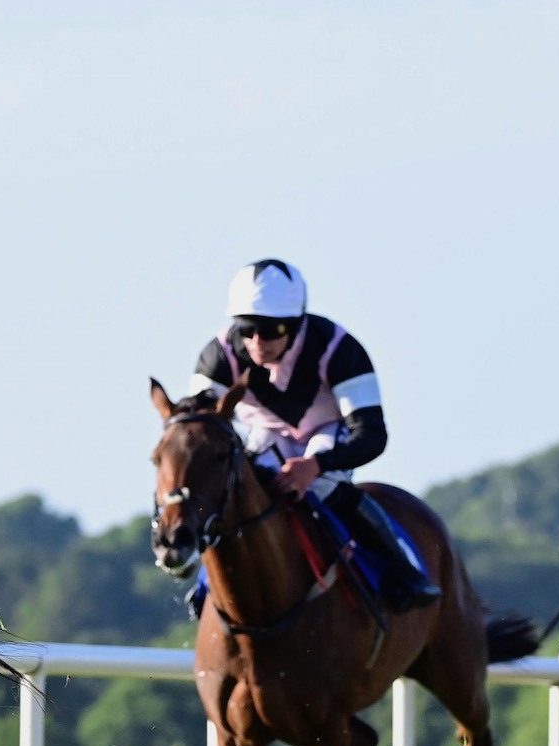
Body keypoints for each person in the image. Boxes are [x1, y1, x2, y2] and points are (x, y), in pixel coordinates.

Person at [186, 258, 440, 613]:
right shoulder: (218, 354)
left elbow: (371, 435)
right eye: (247, 329)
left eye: (272, 330)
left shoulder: (338, 348)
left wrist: (315, 466)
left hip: (327, 432)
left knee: (320, 487)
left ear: (296, 323)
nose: (258, 342)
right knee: (235, 487)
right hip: (264, 432)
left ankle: (404, 572)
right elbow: (197, 427)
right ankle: (205, 584)